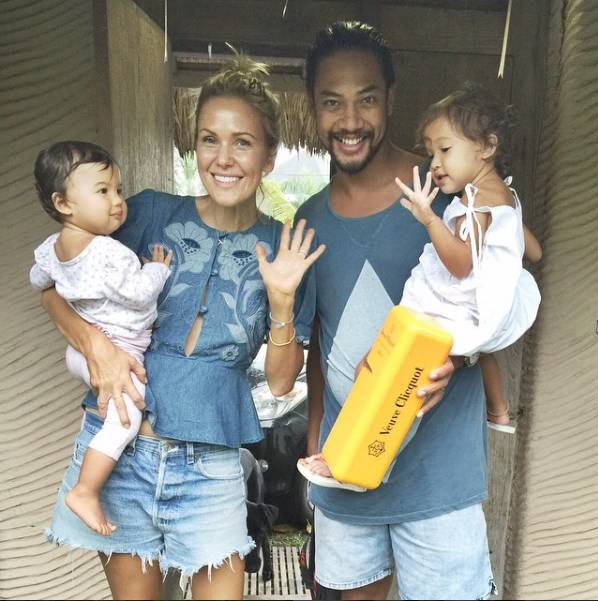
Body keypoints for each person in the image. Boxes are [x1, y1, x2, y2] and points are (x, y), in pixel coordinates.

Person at [39, 55, 323, 600]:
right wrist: (96, 346)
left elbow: (282, 382)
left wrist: (282, 304)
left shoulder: (283, 248)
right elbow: (53, 286)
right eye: (209, 139)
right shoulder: (146, 214)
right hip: (119, 456)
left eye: (243, 142)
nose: (223, 158)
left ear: (269, 157)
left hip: (211, 468)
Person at [292, 22, 500, 600]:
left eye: (366, 99)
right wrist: (314, 446)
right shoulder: (309, 219)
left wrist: (459, 358)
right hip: (346, 471)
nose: (350, 120)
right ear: (312, 106)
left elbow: (504, 301)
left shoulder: (450, 194)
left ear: (391, 98)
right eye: (332, 102)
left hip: (439, 478)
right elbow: (319, 346)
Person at [300, 82, 543, 489]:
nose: (435, 163)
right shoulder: (505, 199)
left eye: (445, 150)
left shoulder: (474, 206)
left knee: (383, 376)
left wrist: (430, 219)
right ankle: (496, 412)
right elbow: (532, 251)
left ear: (487, 147)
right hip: (471, 311)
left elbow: (460, 265)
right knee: (386, 374)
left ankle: (354, 462)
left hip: (449, 310)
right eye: (431, 152)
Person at [30, 141, 173, 536]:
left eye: (118, 190)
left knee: (113, 416)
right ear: (63, 203)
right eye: (103, 191)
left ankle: (87, 487)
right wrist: (157, 270)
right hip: (120, 352)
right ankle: (85, 490)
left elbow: (38, 281)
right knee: (125, 422)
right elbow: (139, 293)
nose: (117, 201)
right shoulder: (110, 253)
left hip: (80, 352)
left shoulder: (52, 249)